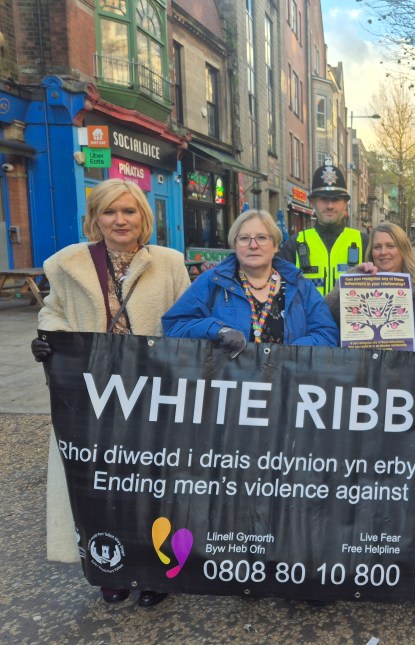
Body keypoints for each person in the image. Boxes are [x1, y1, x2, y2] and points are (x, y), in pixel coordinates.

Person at [31, 178, 190, 607]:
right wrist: (50, 339)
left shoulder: (170, 263)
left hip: (153, 394)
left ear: (144, 218)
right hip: (93, 397)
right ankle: (112, 566)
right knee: (102, 484)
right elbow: (54, 312)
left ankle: (157, 571)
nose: (120, 220)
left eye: (129, 211)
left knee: (153, 484)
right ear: (95, 219)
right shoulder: (68, 264)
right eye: (110, 212)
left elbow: (187, 319)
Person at [163, 209, 337, 350]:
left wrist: (289, 354)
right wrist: (217, 330)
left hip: (286, 385)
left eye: (262, 238)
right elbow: (175, 326)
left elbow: (327, 335)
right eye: (244, 238)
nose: (253, 245)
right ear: (235, 245)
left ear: (275, 245)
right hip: (229, 386)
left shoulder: (300, 286)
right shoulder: (213, 281)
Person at [325, 221, 415, 352]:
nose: (383, 252)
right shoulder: (359, 280)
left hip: (408, 367)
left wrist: (406, 358)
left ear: (403, 249)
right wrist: (352, 279)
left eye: (390, 246)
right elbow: (327, 312)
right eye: (377, 247)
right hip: (363, 366)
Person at [278, 159, 367, 295]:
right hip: (308, 317)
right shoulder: (294, 244)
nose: (330, 205)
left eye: (336, 200)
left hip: (351, 316)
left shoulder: (364, 242)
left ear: (345, 203)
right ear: (312, 202)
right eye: (324, 199)